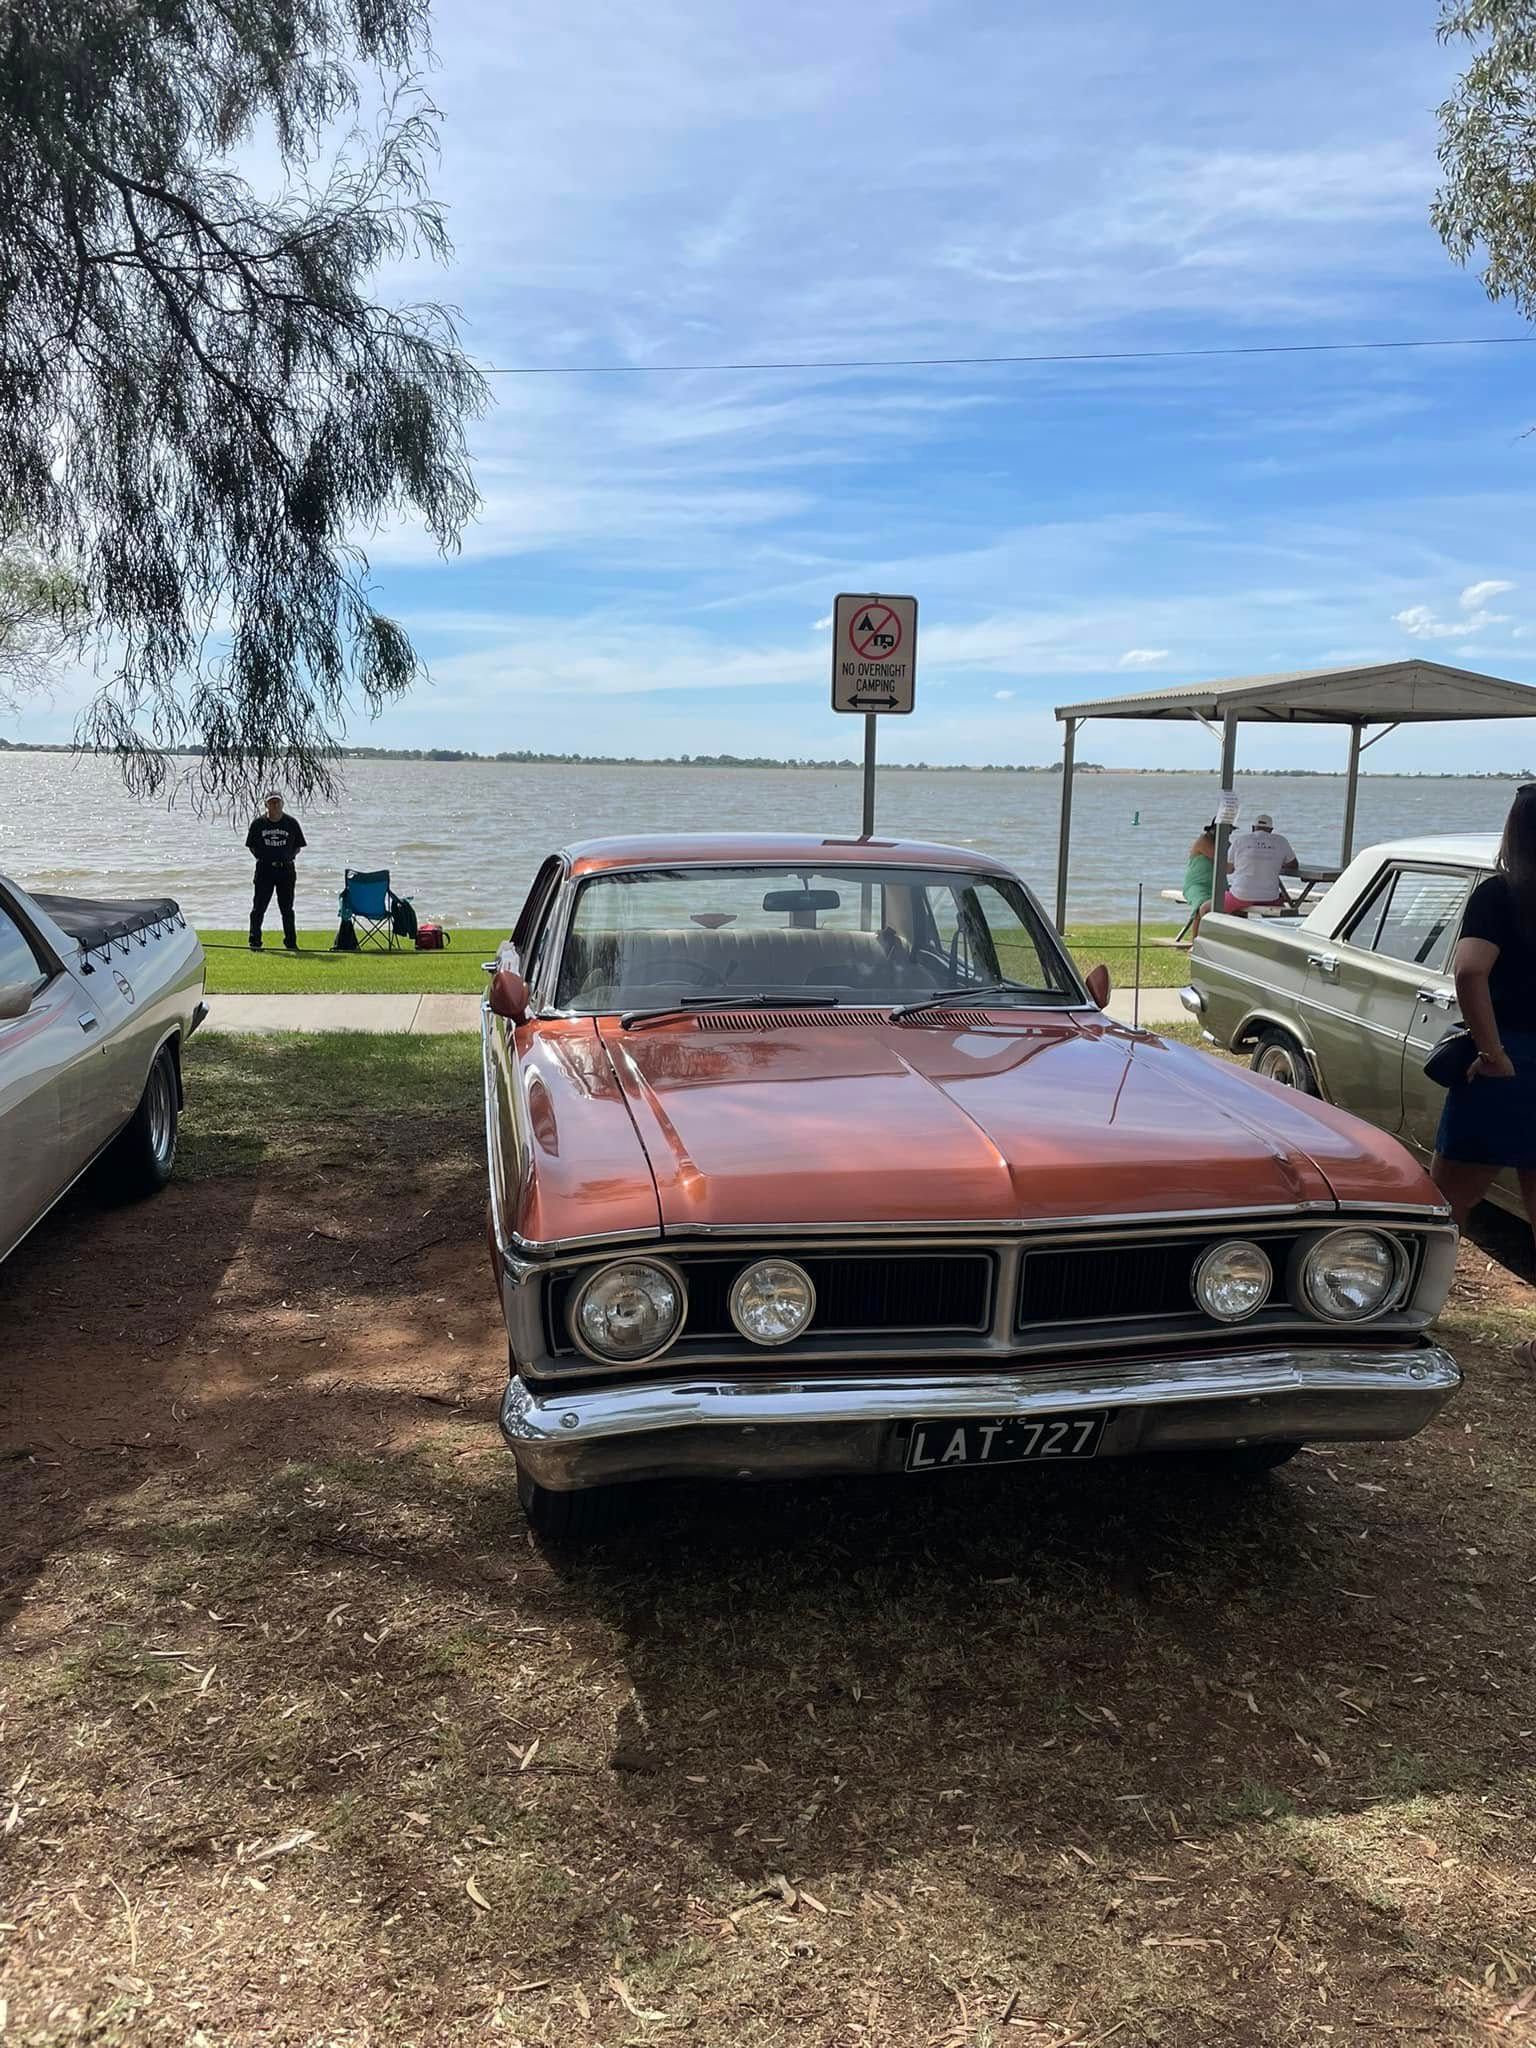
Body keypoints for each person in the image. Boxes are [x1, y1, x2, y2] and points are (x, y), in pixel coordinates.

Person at [1431, 786, 1536, 1288]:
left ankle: (1411, 1311)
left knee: (1446, 1202)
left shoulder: (1502, 893)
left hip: (1508, 1061)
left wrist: (1491, 1052)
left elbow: (1471, 971)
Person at [245, 791, 306, 952]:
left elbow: (298, 846)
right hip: (264, 869)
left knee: (287, 909)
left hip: (286, 870)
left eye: (278, 802)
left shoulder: (291, 823)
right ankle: (255, 942)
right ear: (266, 805)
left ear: (282, 804)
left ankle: (291, 942)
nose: (275, 805)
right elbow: (252, 846)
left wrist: (287, 857)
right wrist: (263, 857)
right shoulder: (258, 824)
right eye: (271, 803)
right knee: (259, 907)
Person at [1224, 811, 1299, 915]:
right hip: (1270, 897)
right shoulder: (1281, 841)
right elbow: (1294, 865)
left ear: (1253, 828)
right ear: (1271, 830)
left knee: (1207, 907)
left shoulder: (1240, 840)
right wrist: (1275, 863)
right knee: (1282, 910)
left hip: (1241, 895)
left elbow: (1228, 870)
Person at [1181, 820, 1216, 943]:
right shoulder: (1203, 841)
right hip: (1197, 885)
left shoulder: (1222, 844)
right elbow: (1220, 860)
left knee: (1236, 907)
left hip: (1216, 885)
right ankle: (1195, 943)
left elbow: (1227, 869)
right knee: (1201, 905)